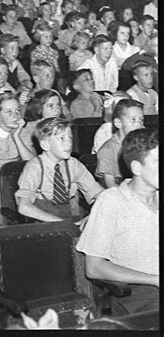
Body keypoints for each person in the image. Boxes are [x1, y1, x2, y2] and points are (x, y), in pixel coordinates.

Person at [76, 128, 159, 315]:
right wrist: (154, 279)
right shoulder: (111, 201)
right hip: (138, 292)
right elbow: (94, 267)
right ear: (137, 168)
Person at [15, 117, 103, 223]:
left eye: (70, 138)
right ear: (45, 145)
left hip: (71, 220)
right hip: (43, 225)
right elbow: (24, 207)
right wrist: (63, 224)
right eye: (62, 138)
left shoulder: (73, 164)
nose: (69, 144)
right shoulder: (34, 168)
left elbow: (96, 192)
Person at [0, 92, 35, 171]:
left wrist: (16, 137)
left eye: (17, 110)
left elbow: (33, 165)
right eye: (9, 112)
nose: (15, 115)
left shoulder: (23, 132)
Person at [96, 99, 144, 188]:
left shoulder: (142, 145)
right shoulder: (108, 150)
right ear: (118, 123)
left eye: (141, 119)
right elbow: (110, 186)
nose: (138, 124)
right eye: (133, 120)